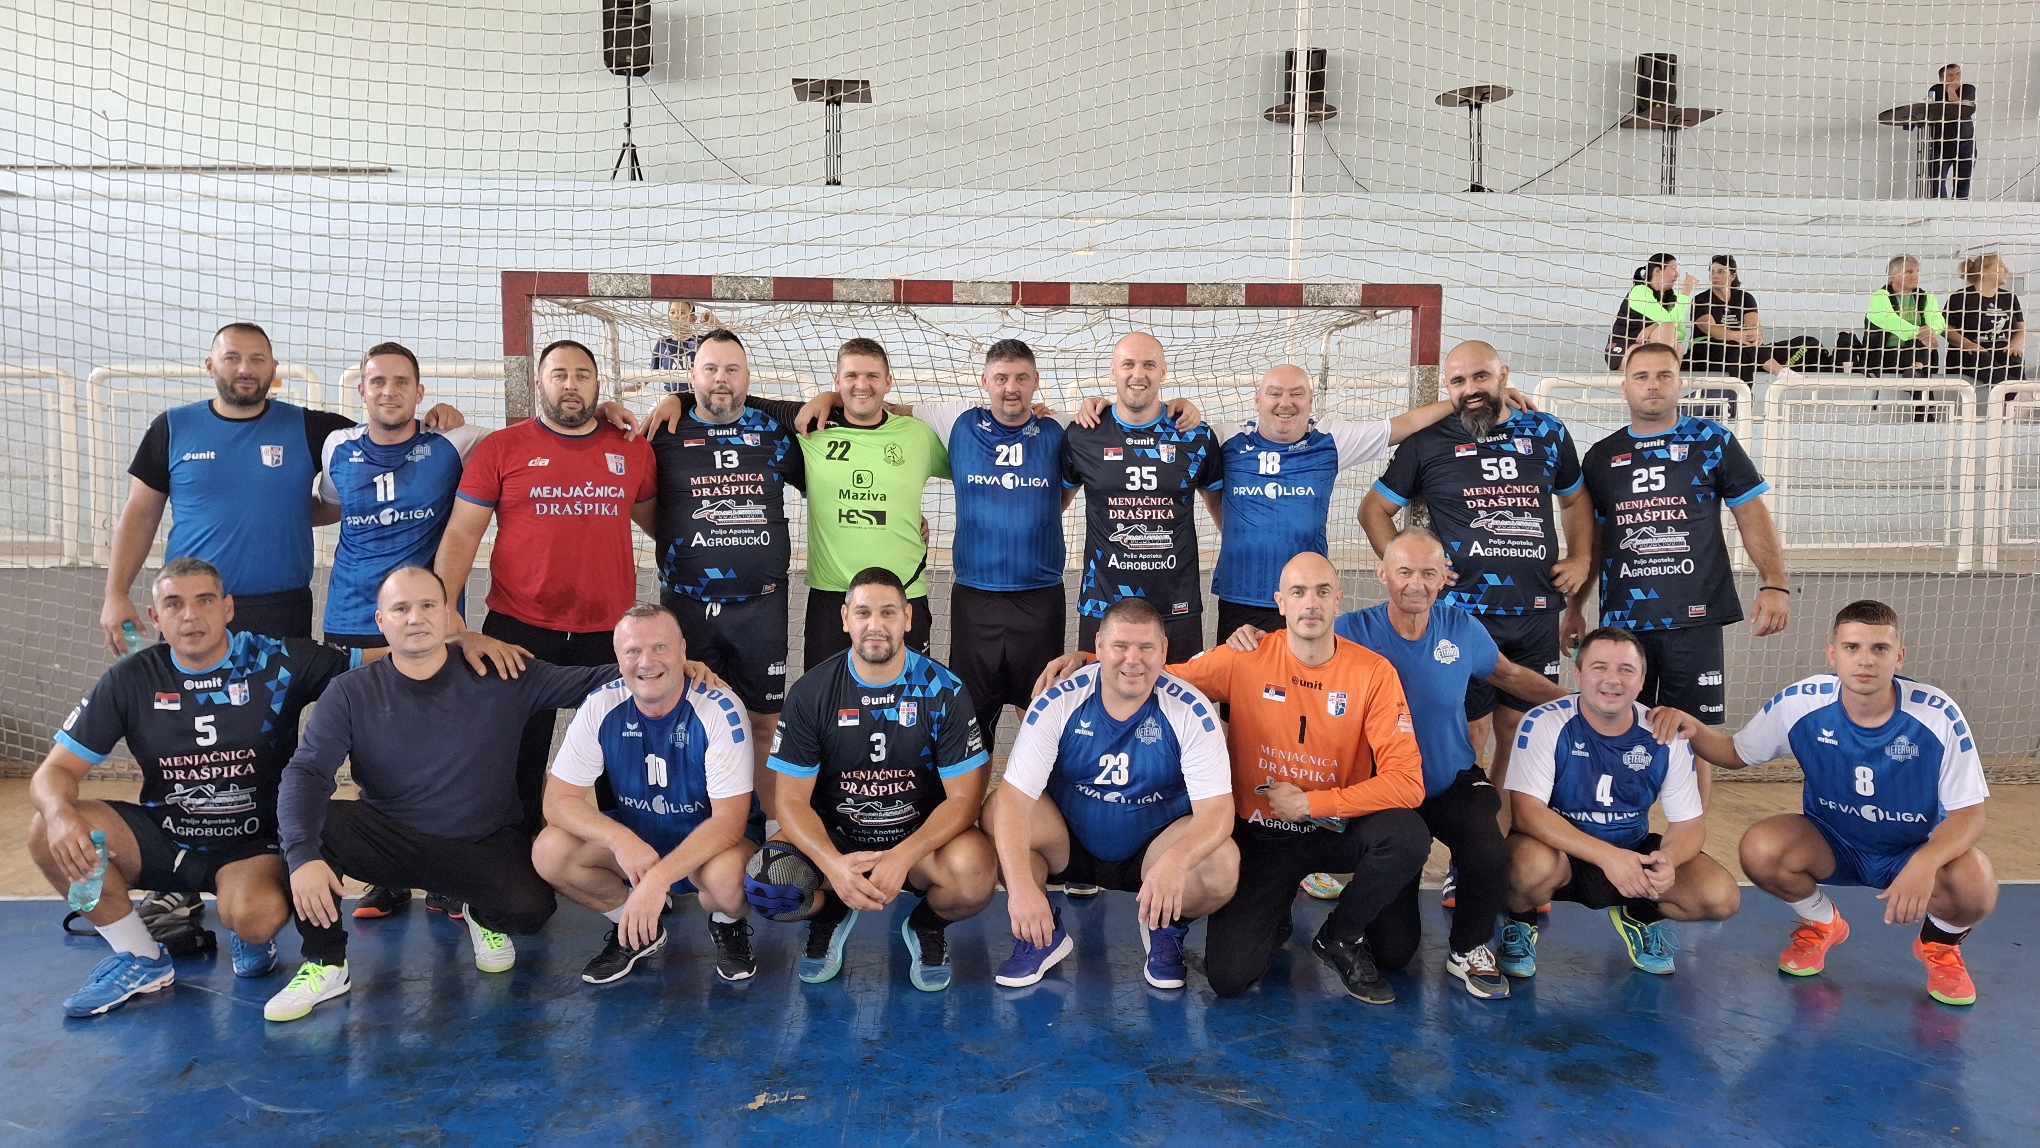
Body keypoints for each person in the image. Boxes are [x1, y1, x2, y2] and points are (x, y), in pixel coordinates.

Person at [27, 557, 522, 1017]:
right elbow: (53, 772)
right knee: (47, 829)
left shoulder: (276, 660)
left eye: (204, 600)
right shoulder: (131, 679)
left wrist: (456, 642)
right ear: (156, 617)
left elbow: (382, 655)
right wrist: (60, 814)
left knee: (254, 916)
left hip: (252, 845)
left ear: (228, 608)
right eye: (174, 604)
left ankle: (250, 935)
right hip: (165, 836)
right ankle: (141, 958)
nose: (191, 615)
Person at [264, 566, 686, 1022]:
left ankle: (479, 912)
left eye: (428, 605)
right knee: (309, 824)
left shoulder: (500, 671)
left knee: (529, 911)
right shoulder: (350, 692)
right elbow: (307, 773)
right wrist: (303, 856)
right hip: (391, 839)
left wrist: (667, 671)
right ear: (381, 621)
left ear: (448, 614)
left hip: (480, 843)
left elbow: (588, 683)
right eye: (401, 609)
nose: (415, 617)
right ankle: (325, 963)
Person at [1226, 531, 1569, 998]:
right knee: (1394, 952)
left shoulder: (1462, 630)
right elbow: (1298, 639)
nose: (1416, 584)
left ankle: (1469, 948)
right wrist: (1250, 637)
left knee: (1487, 848)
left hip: (1450, 781)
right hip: (1387, 792)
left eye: (1428, 573)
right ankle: (1329, 922)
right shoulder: (1353, 630)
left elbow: (1509, 676)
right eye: (1405, 572)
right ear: (1383, 575)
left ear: (1444, 578)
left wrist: (1575, 702)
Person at [1651, 600, 1996, 1007]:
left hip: (1911, 849)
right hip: (1834, 844)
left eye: (1879, 649)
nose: (1865, 660)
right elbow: (1733, 752)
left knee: (1976, 883)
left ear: (1899, 656)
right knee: (1761, 848)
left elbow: (1970, 814)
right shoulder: (1802, 703)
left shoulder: (1936, 714)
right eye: (1852, 648)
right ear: (1833, 654)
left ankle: (1940, 945)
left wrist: (1926, 862)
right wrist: (1691, 727)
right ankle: (1821, 923)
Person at [99, 322, 463, 653]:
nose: (245, 368)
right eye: (232, 358)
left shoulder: (313, 429)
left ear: (273, 368)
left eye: (257, 359)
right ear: (210, 365)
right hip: (192, 606)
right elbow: (140, 515)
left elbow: (388, 433)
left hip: (282, 608)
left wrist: (437, 416)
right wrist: (116, 593)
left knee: (278, 706)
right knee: (189, 703)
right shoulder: (171, 428)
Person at [1174, 554, 1437, 1002]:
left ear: (1338, 600)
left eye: (1321, 592)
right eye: (1298, 592)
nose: (1310, 603)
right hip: (1264, 834)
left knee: (1406, 853)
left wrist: (1312, 804)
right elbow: (1161, 680)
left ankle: (1341, 935)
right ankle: (1275, 914)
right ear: (1280, 602)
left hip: (1337, 828)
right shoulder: (1245, 657)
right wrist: (1088, 660)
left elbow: (1408, 782)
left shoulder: (1372, 673)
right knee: (1230, 978)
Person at [434, 338, 659, 839]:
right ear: (539, 382)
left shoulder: (630, 448)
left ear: (598, 384)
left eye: (582, 375)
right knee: (515, 763)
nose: (570, 385)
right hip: (519, 631)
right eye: (559, 375)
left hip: (609, 634)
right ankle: (512, 859)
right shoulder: (501, 448)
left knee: (619, 764)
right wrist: (446, 612)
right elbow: (462, 534)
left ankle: (624, 863)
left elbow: (663, 528)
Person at [1360, 339, 1591, 803]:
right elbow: (1373, 511)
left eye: (1481, 376)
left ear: (1504, 374)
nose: (1471, 389)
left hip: (1535, 609)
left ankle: (1500, 834)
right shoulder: (1428, 441)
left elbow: (1575, 500)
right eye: (1459, 381)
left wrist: (1581, 557)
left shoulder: (1547, 431)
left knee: (1520, 731)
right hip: (1462, 615)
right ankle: (1463, 835)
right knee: (1470, 731)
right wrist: (1413, 572)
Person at [1570, 342, 1790, 807]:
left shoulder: (1712, 441)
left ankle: (1690, 836)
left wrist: (1774, 583)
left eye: (1664, 375)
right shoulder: (1602, 457)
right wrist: (1574, 607)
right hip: (1624, 623)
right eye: (1642, 376)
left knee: (1691, 732)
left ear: (1680, 383)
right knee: (1615, 725)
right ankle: (1620, 826)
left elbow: (1751, 513)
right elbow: (1594, 542)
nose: (1653, 385)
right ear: (1624, 386)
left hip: (1694, 614)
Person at [760, 567, 994, 992]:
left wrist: (902, 856)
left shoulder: (943, 690)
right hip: (839, 840)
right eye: (863, 612)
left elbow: (964, 801)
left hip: (919, 843)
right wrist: (832, 865)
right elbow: (789, 801)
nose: (875, 625)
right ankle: (830, 912)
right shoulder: (812, 692)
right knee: (767, 883)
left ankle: (926, 926)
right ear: (845, 618)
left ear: (908, 618)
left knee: (975, 874)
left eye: (888, 612)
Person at [991, 598, 1236, 991]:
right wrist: (1020, 891)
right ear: (1099, 646)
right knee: (997, 814)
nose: (1132, 660)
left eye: (1146, 647)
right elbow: (1013, 801)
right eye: (1121, 646)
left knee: (1222, 864)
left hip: (1154, 849)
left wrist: (1176, 862)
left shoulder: (1190, 710)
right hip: (1069, 842)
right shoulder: (1059, 700)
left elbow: (1218, 812)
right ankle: (1040, 933)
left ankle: (1164, 924)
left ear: (1164, 651)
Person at [1202, 364, 1537, 639]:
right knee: (1239, 690)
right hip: (1241, 590)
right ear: (1257, 399)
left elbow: (1404, 425)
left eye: (1296, 393)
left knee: (1304, 686)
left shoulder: (1330, 440)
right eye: (1275, 393)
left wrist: (1473, 399)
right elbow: (1205, 481)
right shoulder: (1225, 438)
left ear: (1311, 400)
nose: (1285, 402)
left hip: (1309, 596)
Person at [532, 605, 760, 985]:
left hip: (709, 849)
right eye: (633, 651)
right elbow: (557, 801)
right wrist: (619, 840)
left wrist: (658, 880)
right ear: (618, 658)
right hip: (640, 843)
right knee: (549, 852)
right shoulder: (602, 705)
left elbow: (729, 822)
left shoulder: (718, 707)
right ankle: (636, 928)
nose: (646, 662)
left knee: (728, 882)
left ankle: (726, 924)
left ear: (683, 650)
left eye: (660, 648)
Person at [1500, 628, 1740, 979]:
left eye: (1626, 670)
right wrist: (1608, 858)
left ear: (1641, 680)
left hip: (1632, 853)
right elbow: (1527, 814)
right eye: (1599, 667)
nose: (1612, 680)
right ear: (1579, 674)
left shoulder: (1663, 732)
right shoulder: (1545, 722)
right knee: (1525, 867)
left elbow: (1689, 823)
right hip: (1561, 854)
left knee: (1719, 896)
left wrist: (1669, 860)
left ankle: (1640, 915)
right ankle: (1521, 921)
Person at [640, 330, 806, 798]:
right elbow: (637, 500)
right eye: (710, 369)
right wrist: (678, 538)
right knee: (686, 716)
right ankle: (689, 815)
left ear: (747, 377)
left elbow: (824, 487)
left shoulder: (773, 432)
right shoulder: (663, 435)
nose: (721, 379)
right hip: (687, 606)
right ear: (691, 376)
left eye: (732, 370)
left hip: (761, 607)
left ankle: (768, 830)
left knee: (764, 721)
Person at [1063, 332, 1224, 660]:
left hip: (1176, 605)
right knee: (1102, 692)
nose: (1138, 374)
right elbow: (1056, 504)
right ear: (1113, 370)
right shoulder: (1084, 434)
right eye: (1128, 364)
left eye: (1149, 365)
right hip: (1103, 604)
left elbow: (1221, 512)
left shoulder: (1194, 435)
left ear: (1163, 371)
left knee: (1178, 692)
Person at [792, 340, 949, 666]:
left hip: (904, 593)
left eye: (872, 376)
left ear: (888, 382)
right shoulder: (812, 431)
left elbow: (976, 466)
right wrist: (681, 399)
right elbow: (744, 404)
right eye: (851, 376)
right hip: (833, 596)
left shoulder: (918, 436)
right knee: (828, 695)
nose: (861, 385)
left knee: (909, 695)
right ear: (837, 381)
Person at [1685, 256, 1820, 382]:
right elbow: (1711, 329)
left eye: (1721, 271)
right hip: (1709, 352)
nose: (1715, 275)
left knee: (1808, 343)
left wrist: (1755, 336)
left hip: (1745, 351)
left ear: (1732, 276)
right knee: (1740, 351)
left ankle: (1766, 371)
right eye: (1712, 272)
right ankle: (1781, 372)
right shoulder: (1701, 299)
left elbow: (1753, 326)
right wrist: (1740, 337)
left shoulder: (1745, 298)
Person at [1944, 253, 2026, 398]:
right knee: (1984, 360)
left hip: (2000, 350)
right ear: (1984, 271)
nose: (2006, 270)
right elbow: (1945, 329)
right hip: (1971, 353)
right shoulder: (1960, 297)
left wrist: (2015, 344)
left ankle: (2014, 397)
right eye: (2001, 266)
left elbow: (2020, 329)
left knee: (2014, 362)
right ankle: (2010, 395)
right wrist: (1967, 344)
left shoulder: (2009, 298)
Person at [1605, 255, 1697, 370]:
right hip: (1622, 347)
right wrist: (1686, 293)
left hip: (1646, 347)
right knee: (1665, 330)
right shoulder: (1639, 291)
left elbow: (1681, 333)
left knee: (1678, 347)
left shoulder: (1671, 299)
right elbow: (1668, 322)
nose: (1677, 275)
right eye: (1673, 269)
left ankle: (1661, 374)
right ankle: (1661, 373)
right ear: (1658, 271)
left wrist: (1652, 327)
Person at [1863, 255, 1946, 378]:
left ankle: (1915, 371)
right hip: (1887, 356)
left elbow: (1938, 321)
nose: (1915, 275)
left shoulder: (1926, 297)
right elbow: (1891, 321)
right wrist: (1921, 333)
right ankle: (1915, 372)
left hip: (1918, 352)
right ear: (1893, 275)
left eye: (1917, 271)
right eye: (1909, 272)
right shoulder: (1879, 296)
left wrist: (1931, 331)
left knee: (1918, 349)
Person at [1925, 64, 1977, 201]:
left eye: (1958, 74)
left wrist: (1951, 90)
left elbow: (1961, 109)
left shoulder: (1968, 89)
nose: (1955, 78)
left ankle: (1958, 213)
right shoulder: (1935, 90)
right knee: (1936, 186)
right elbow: (1930, 112)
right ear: (1941, 79)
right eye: (1950, 75)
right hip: (1941, 145)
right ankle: (1941, 211)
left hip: (1965, 145)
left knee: (1962, 189)